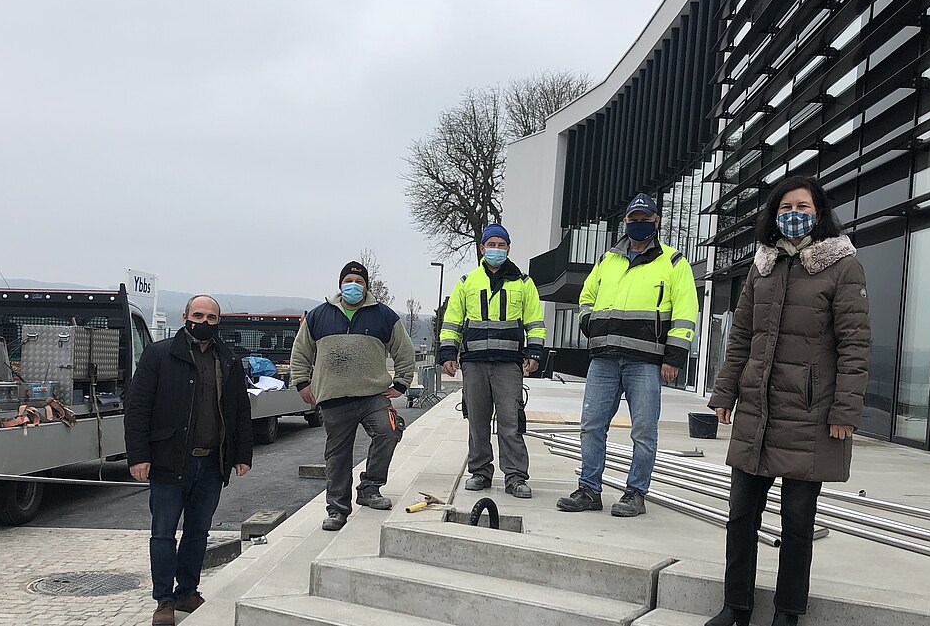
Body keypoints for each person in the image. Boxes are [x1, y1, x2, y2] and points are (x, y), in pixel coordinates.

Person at [705, 175, 871, 626]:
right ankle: (736, 607)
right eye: (784, 207)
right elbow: (741, 337)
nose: (793, 215)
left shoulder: (843, 267)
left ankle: (787, 614)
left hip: (810, 415)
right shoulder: (762, 266)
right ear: (773, 215)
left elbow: (855, 345)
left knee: (797, 524)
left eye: (802, 206)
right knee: (741, 515)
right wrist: (725, 392)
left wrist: (845, 411)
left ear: (819, 213)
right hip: (757, 411)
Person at [556, 192, 698, 517]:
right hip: (604, 358)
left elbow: (686, 311)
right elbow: (586, 297)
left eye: (645, 219)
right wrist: (589, 323)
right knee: (591, 426)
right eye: (634, 219)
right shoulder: (608, 259)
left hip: (646, 361)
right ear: (625, 221)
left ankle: (635, 493)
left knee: (644, 432)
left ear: (656, 221)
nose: (639, 224)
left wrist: (674, 358)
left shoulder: (674, 262)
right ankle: (589, 490)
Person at [125, 294, 253, 626]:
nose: (204, 322)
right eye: (198, 315)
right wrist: (138, 456)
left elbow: (240, 411)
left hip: (211, 464)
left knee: (198, 532)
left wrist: (242, 454)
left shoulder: (228, 361)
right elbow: (137, 408)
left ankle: (187, 591)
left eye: (211, 318)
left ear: (219, 322)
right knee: (163, 533)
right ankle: (164, 601)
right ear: (185, 317)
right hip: (168, 461)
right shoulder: (159, 355)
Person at [290, 261, 416, 532]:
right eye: (348, 281)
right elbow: (301, 352)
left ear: (367, 286)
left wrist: (402, 383)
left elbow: (404, 350)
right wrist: (301, 382)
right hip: (334, 397)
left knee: (389, 431)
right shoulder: (318, 316)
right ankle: (337, 509)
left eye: (359, 282)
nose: (354, 286)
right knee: (337, 454)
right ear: (340, 284)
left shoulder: (384, 315)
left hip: (373, 395)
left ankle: (370, 488)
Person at [438, 223, 546, 498]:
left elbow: (535, 321)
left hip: (508, 364)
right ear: (482, 248)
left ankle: (515, 477)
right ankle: (480, 472)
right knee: (477, 421)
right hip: (474, 363)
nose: (496, 249)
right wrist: (448, 353)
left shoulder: (524, 283)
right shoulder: (467, 282)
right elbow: (452, 321)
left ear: (508, 249)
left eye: (501, 245)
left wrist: (534, 352)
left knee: (511, 422)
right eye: (491, 245)